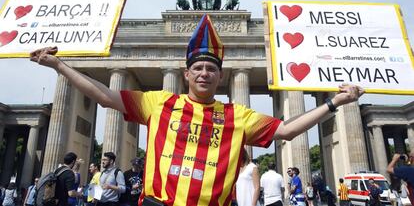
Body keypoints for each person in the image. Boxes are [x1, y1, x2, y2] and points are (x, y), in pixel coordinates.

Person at [30, 14, 364, 206]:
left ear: (220, 76)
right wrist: (60, 65)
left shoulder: (237, 115)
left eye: (211, 68)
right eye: (198, 67)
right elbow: (104, 96)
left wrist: (334, 102)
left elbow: (286, 131)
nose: (204, 73)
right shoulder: (160, 102)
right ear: (186, 73)